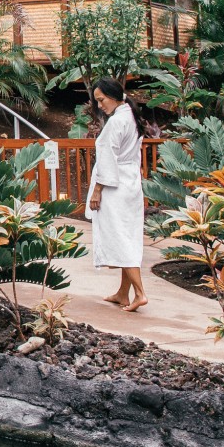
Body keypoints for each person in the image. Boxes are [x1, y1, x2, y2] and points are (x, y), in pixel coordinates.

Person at [85, 77, 148, 312]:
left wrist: (97, 190)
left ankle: (140, 293)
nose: (100, 105)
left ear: (113, 96)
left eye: (101, 100)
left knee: (121, 239)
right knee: (127, 236)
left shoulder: (116, 122)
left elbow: (108, 158)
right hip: (130, 183)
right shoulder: (130, 115)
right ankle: (123, 293)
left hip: (115, 188)